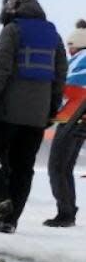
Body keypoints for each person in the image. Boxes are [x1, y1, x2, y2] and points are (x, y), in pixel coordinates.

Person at [0, 0, 67, 234]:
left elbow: (0, 68)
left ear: (11, 8)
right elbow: (59, 77)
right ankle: (9, 221)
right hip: (37, 117)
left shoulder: (12, 30)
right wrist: (51, 109)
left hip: (7, 111)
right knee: (22, 168)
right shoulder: (54, 36)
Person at [44, 20, 86, 227]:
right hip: (79, 119)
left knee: (57, 166)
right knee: (65, 167)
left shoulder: (81, 59)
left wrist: (48, 116)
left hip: (73, 117)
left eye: (71, 45)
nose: (68, 49)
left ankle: (66, 213)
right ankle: (68, 208)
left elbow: (69, 92)